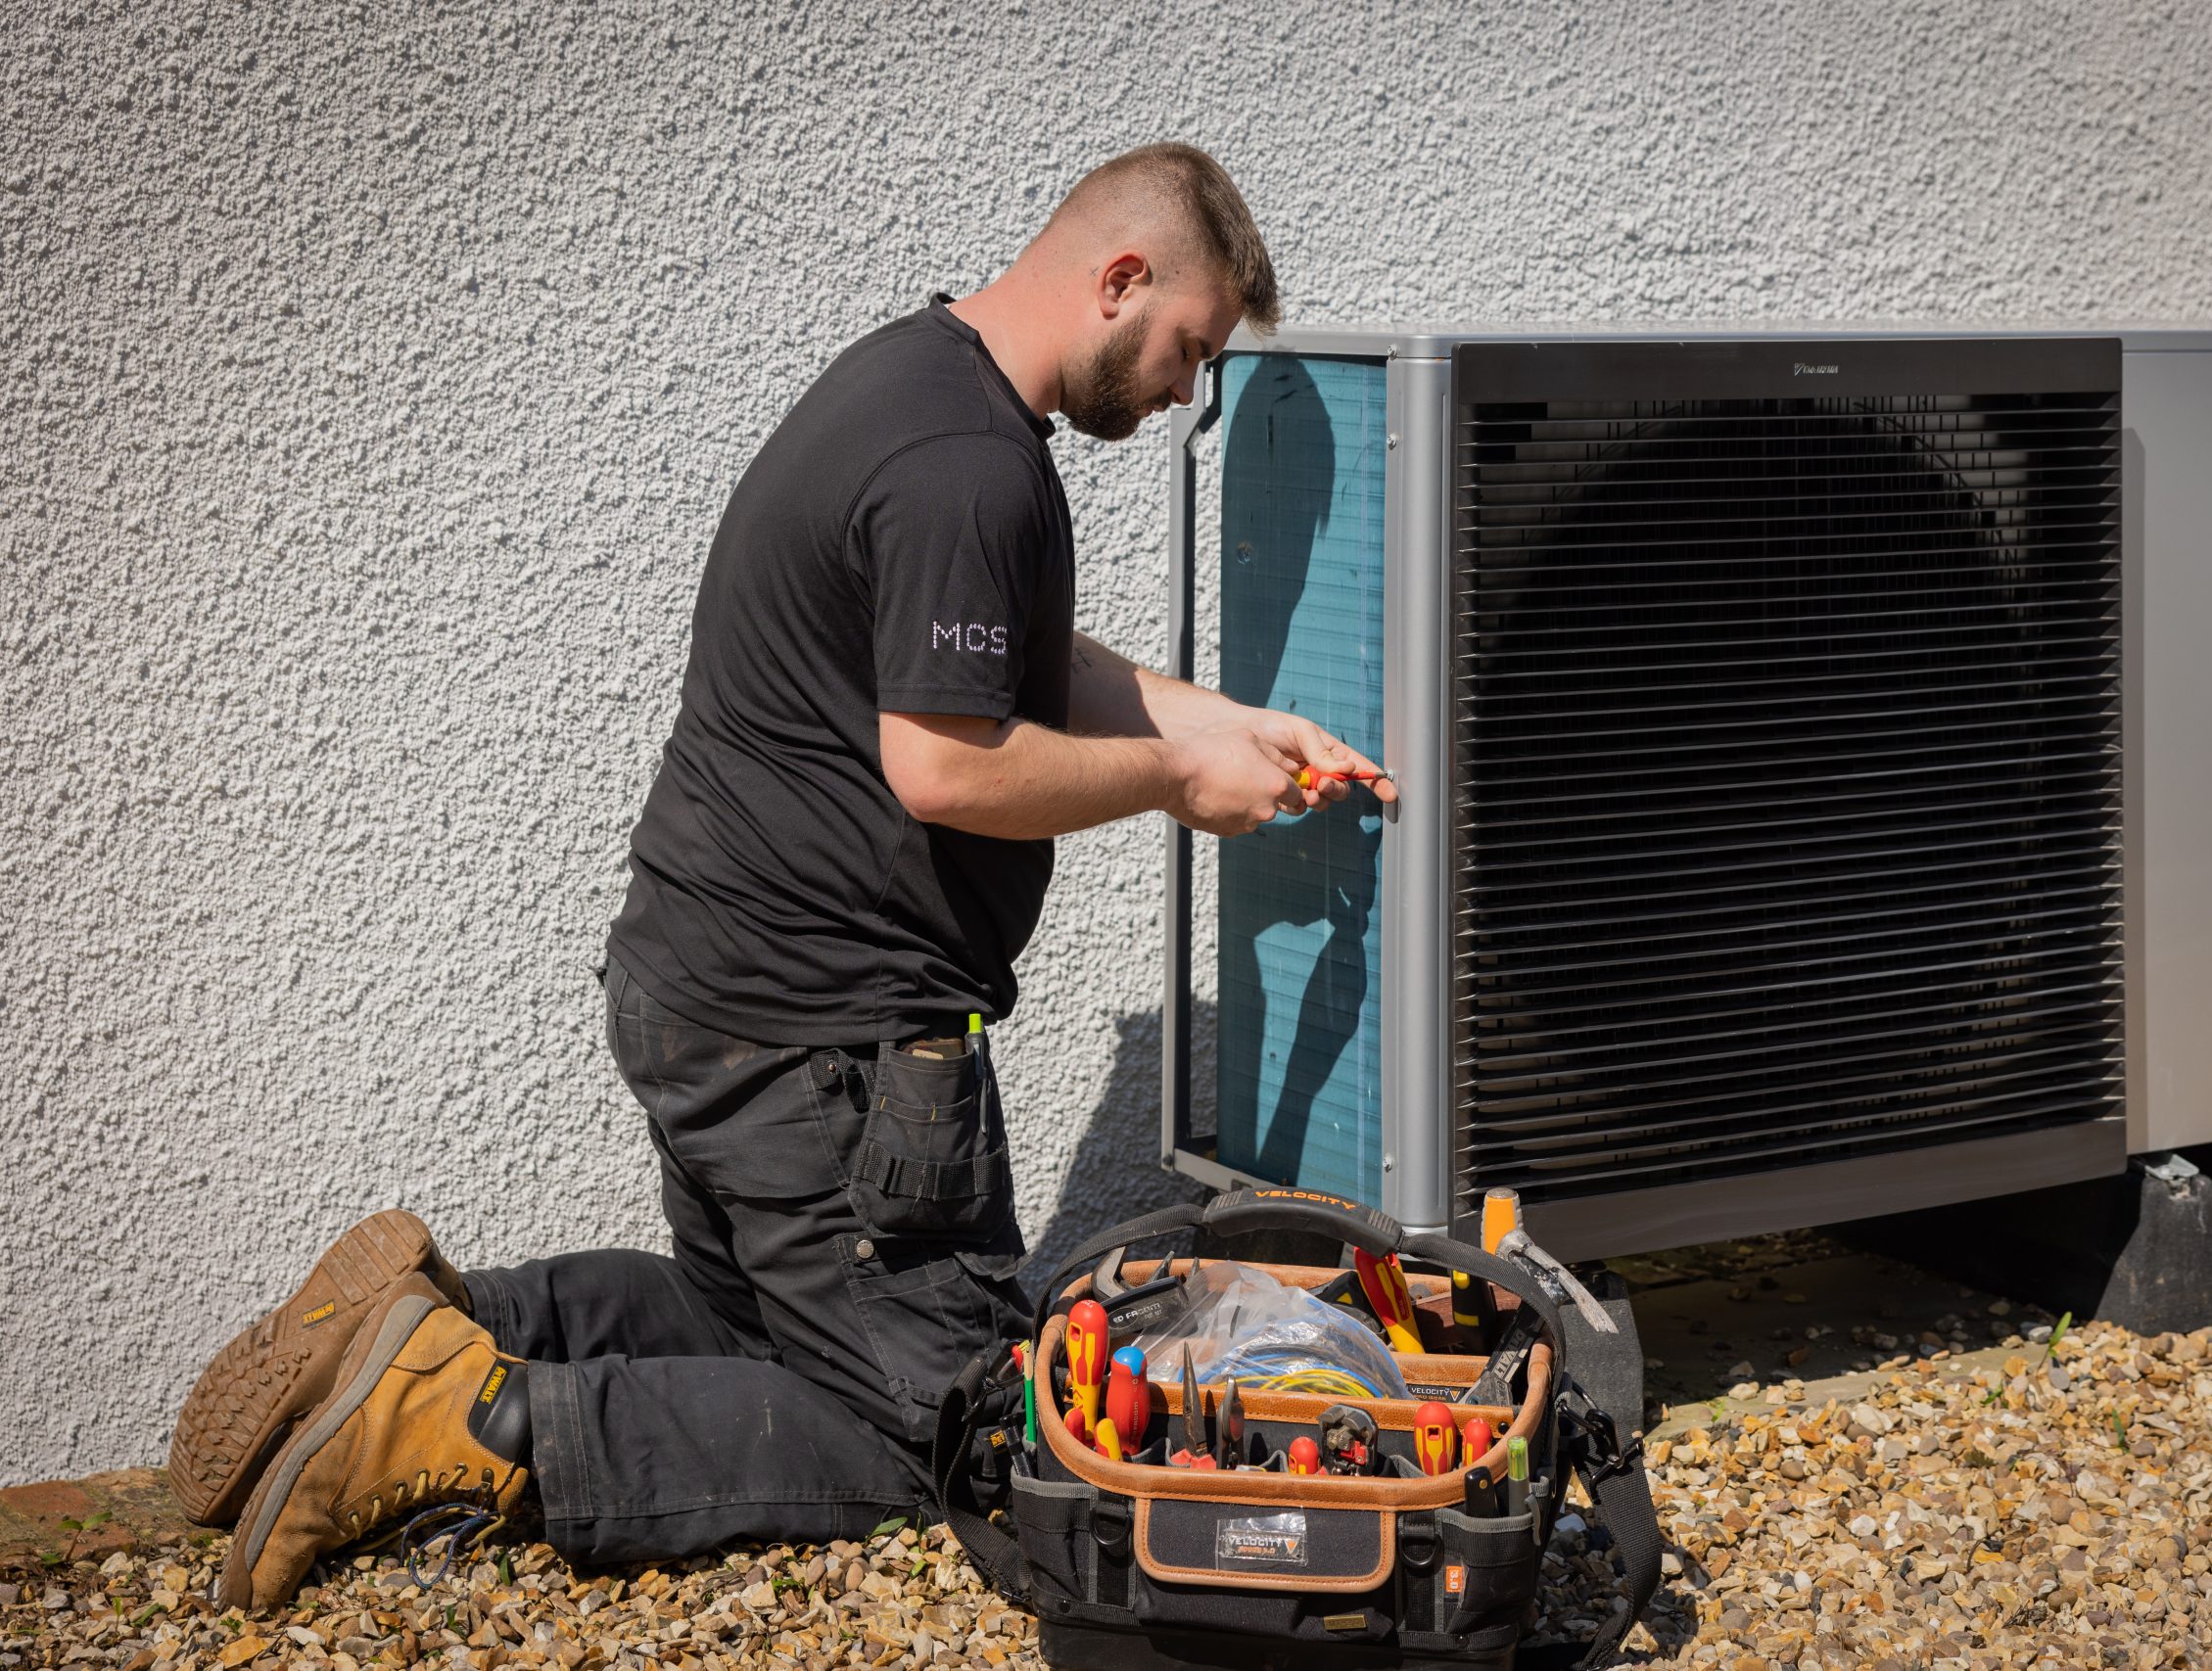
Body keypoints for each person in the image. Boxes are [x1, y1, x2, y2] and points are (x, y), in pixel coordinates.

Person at [176, 141, 1395, 1609]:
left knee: (732, 1321)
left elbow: (1012, 658)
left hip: (700, 991)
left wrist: (1221, 721)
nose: (1185, 392)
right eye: (1189, 350)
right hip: (824, 1048)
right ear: (1119, 280)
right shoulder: (970, 468)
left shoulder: (911, 379)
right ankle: (468, 1421)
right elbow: (946, 764)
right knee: (947, 1441)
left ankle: (422, 1315)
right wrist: (1176, 783)